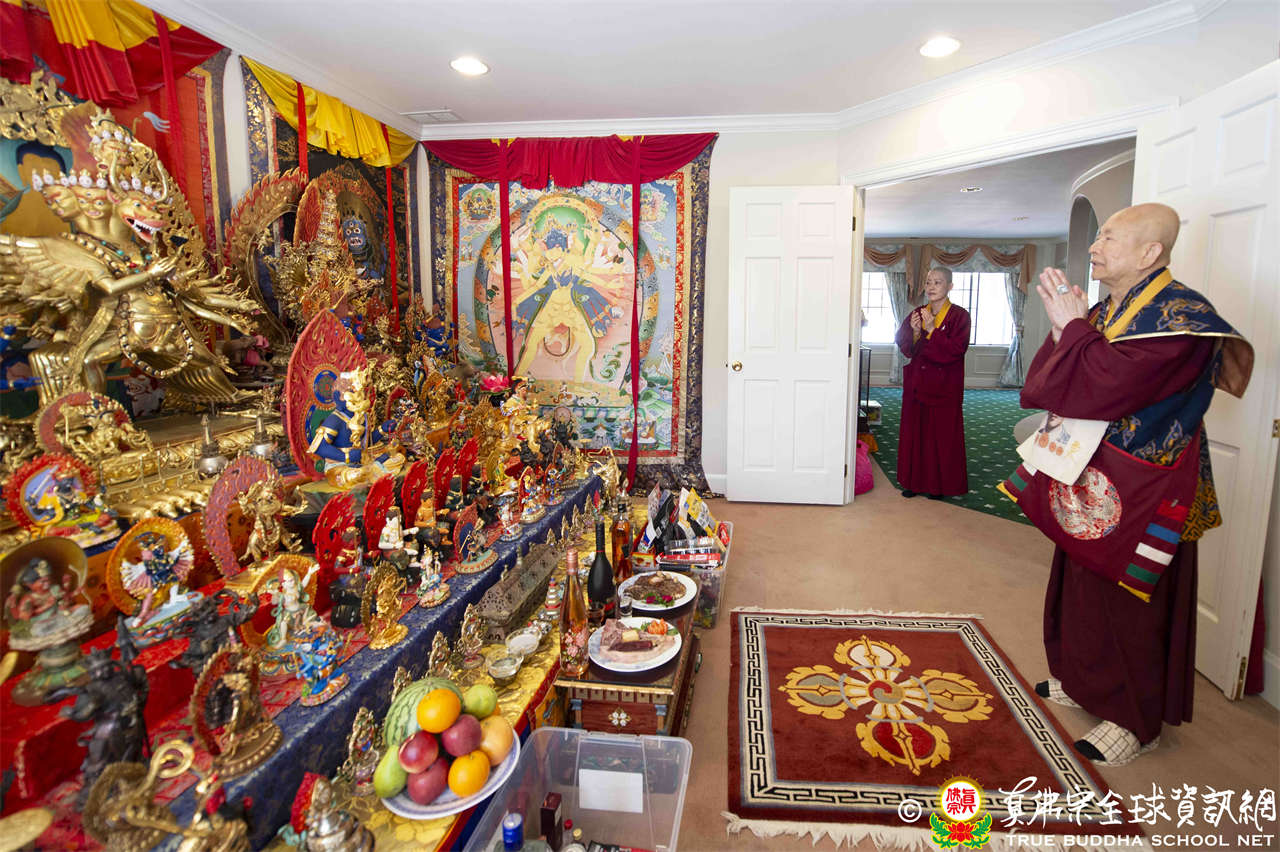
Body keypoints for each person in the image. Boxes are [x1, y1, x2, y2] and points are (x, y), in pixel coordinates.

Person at [1013, 203, 1252, 766]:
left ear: (1150, 253)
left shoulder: (1183, 319)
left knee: (1129, 600)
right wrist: (1065, 329)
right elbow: (1053, 382)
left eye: (1108, 239)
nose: (1094, 248)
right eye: (1097, 238)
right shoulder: (1105, 310)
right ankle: (1081, 680)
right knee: (1077, 578)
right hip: (1089, 474)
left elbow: (1106, 387)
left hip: (1147, 485)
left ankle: (1133, 720)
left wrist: (1073, 331)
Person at [894, 267, 970, 499]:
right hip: (918, 383)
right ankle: (913, 482)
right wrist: (916, 332)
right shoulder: (918, 313)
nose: (931, 287)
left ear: (950, 286)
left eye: (938, 282)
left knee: (941, 437)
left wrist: (932, 330)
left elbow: (956, 350)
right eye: (928, 282)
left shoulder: (959, 316)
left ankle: (939, 486)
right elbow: (905, 345)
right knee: (915, 434)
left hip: (944, 385)